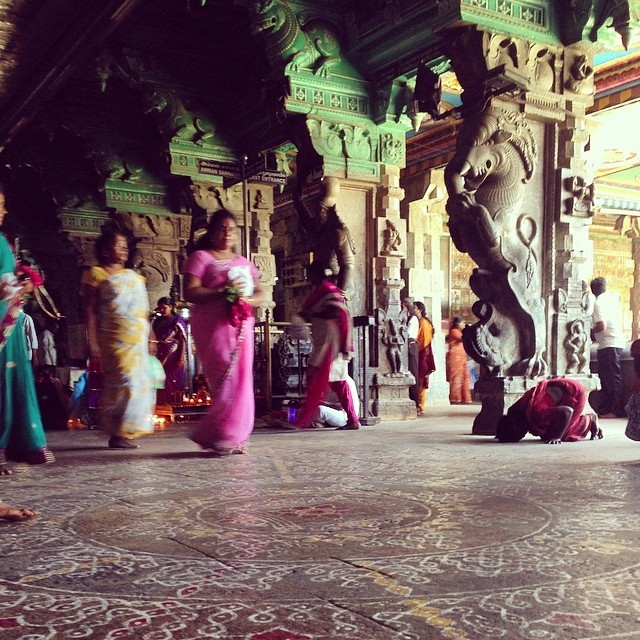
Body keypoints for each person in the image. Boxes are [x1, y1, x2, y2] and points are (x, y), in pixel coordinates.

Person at [183, 209, 264, 455]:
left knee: (241, 380)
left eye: (231, 229)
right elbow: (190, 292)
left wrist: (245, 299)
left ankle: (233, 435)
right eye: (221, 228)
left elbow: (260, 294)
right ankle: (221, 433)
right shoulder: (201, 258)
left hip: (241, 326)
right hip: (213, 327)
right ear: (211, 231)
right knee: (224, 378)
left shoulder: (245, 263)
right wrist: (223, 291)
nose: (227, 233)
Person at [81, 227, 155, 449]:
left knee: (139, 382)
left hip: (136, 338)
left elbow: (142, 311)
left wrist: (150, 334)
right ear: (105, 250)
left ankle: (127, 430)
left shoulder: (133, 277)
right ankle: (117, 432)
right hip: (113, 338)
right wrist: (92, 339)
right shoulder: (95, 274)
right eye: (118, 244)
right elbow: (89, 310)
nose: (124, 249)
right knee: (123, 381)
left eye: (125, 245)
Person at [0, 184, 54, 474]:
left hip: (8, 322)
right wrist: (14, 287)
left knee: (9, 384)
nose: (3, 211)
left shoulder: (3, 242)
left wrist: (22, 284)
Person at [295, 260, 360, 431]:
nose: (309, 278)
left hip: (331, 343)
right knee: (337, 381)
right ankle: (351, 419)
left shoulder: (328, 291)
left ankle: (306, 417)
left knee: (319, 377)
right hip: (327, 342)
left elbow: (342, 315)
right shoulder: (324, 291)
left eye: (311, 275)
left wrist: (345, 346)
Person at [293, 177, 356, 300]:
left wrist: (338, 295)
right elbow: (305, 221)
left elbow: (348, 266)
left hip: (336, 286)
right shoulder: (319, 229)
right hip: (322, 284)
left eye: (318, 211)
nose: (315, 215)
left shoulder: (338, 233)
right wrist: (298, 201)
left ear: (325, 210)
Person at [496, 378, 603, 444]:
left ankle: (589, 420)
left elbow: (567, 412)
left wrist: (557, 437)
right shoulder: (514, 411)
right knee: (546, 433)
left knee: (564, 433)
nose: (525, 434)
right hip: (557, 387)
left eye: (522, 434)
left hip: (573, 392)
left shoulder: (536, 412)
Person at [590, 277, 626, 418]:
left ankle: (615, 409)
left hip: (609, 343)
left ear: (593, 290)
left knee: (611, 379)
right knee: (610, 377)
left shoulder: (598, 303)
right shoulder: (612, 300)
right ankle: (608, 408)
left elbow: (601, 326)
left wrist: (588, 331)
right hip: (614, 341)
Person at [152, 296, 187, 404]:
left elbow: (182, 340)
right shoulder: (157, 321)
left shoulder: (177, 320)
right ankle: (161, 407)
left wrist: (180, 358)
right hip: (159, 354)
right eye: (160, 308)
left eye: (164, 308)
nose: (162, 310)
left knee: (172, 381)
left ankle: (174, 407)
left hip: (173, 354)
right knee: (160, 380)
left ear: (171, 307)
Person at [413, 300, 435, 416]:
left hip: (422, 353)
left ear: (419, 310)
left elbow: (420, 339)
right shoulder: (421, 321)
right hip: (422, 352)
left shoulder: (423, 323)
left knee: (421, 381)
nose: (413, 310)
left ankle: (420, 406)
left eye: (414, 308)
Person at [446, 316, 472, 404]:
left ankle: (464, 398)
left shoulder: (459, 331)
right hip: (455, 357)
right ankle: (455, 398)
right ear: (458, 323)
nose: (463, 324)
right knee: (456, 377)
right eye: (462, 322)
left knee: (464, 377)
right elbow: (463, 339)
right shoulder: (454, 331)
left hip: (461, 357)